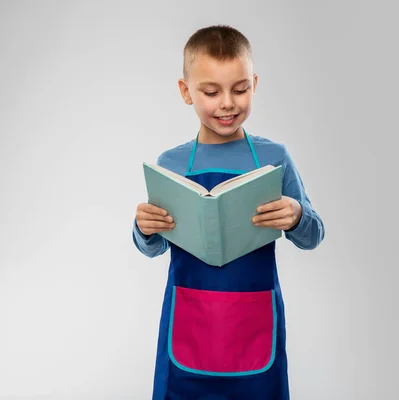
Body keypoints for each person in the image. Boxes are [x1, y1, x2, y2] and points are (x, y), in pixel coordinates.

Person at [132, 24, 325, 400]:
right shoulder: (170, 164)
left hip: (254, 321)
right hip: (189, 319)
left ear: (254, 84)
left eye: (240, 89)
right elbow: (153, 248)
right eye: (211, 91)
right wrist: (145, 229)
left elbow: (314, 234)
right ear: (186, 92)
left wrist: (297, 214)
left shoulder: (274, 158)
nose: (227, 103)